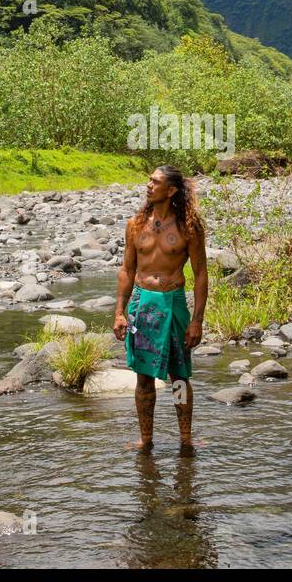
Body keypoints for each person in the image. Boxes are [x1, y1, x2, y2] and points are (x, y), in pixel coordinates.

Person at [113, 165, 208, 454]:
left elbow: (201, 273)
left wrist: (197, 321)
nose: (148, 185)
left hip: (173, 303)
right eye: (149, 181)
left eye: (155, 182)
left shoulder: (189, 227)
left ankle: (186, 438)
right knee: (143, 377)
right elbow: (127, 270)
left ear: (172, 190)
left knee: (179, 376)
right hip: (142, 304)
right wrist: (119, 312)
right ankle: (146, 439)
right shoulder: (135, 224)